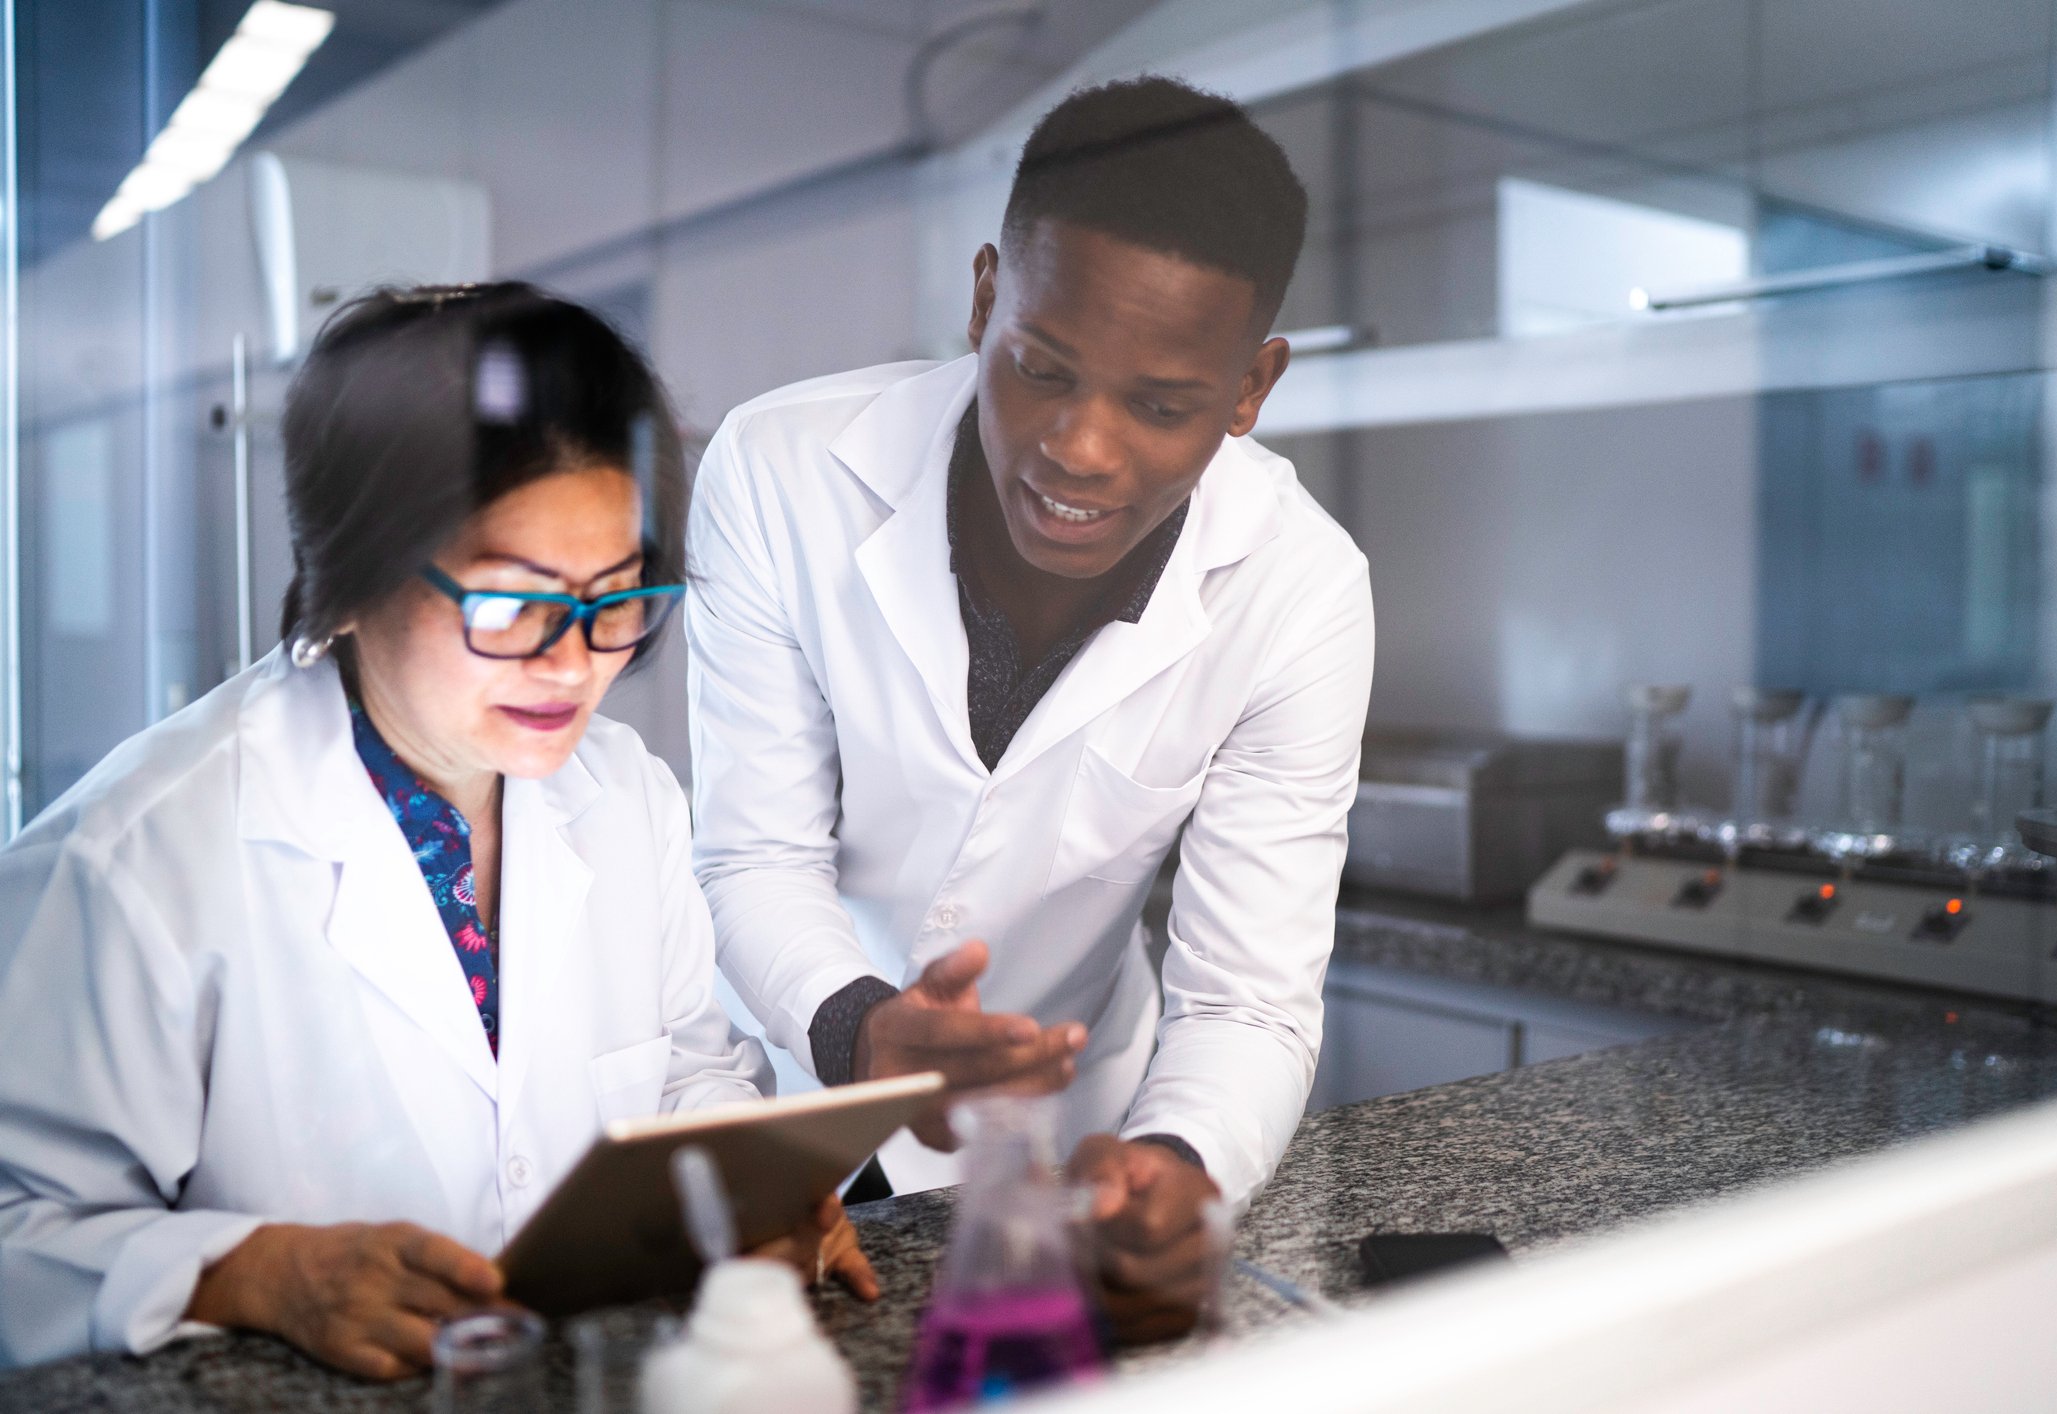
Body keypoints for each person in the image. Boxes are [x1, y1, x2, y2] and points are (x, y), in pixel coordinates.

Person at [0, 284, 874, 1376]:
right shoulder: (134, 858)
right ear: (349, 579)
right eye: (509, 603)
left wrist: (743, 1193)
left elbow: (686, 1070)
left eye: (616, 597)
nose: (572, 663)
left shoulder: (625, 795)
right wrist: (254, 1269)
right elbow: (17, 1231)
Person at [688, 77, 1373, 1335]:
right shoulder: (777, 469)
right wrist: (857, 1031)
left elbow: (1246, 998)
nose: (1080, 448)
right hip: (787, 1086)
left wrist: (1179, 1165)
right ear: (985, 293)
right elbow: (751, 854)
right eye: (1041, 369)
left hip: (1066, 1157)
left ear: (1249, 387)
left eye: (1160, 406)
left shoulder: (1301, 587)